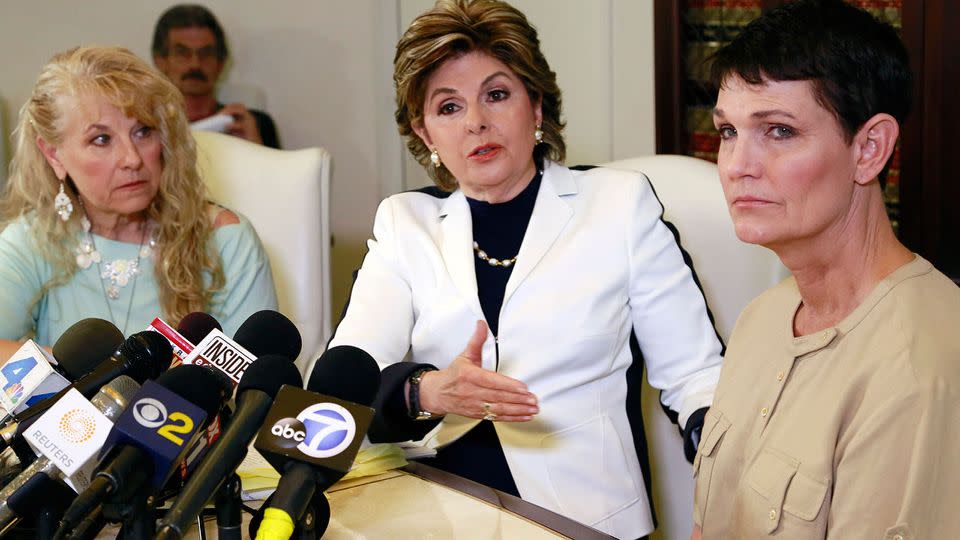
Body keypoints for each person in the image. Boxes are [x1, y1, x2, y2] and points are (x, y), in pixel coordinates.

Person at [325, 1, 724, 537]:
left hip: (581, 519)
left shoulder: (618, 206)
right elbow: (347, 380)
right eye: (448, 108)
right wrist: (426, 392)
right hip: (431, 510)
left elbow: (696, 374)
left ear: (536, 107)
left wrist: (728, 464)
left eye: (496, 94)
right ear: (425, 135)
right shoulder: (405, 224)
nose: (476, 122)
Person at [691, 1, 960, 538]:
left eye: (779, 131)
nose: (738, 166)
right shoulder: (763, 317)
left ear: (869, 148)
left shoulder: (918, 365)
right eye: (728, 132)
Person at [0, 46, 278, 359]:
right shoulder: (32, 240)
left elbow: (255, 388)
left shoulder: (226, 241)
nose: (132, 159)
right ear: (53, 154)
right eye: (101, 139)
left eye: (143, 131)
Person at [151, 4, 280, 148]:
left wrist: (255, 149)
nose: (195, 64)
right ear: (160, 61)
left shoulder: (252, 124)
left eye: (206, 53)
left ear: (221, 63)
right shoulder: (147, 129)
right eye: (183, 53)